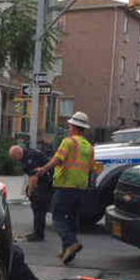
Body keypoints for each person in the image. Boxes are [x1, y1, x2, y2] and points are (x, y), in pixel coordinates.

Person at [36, 111, 97, 264]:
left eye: (70, 125)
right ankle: (67, 252)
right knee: (71, 219)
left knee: (57, 217)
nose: (69, 127)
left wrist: (43, 169)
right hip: (80, 188)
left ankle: (71, 243)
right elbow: (91, 168)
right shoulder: (89, 147)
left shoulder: (69, 142)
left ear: (73, 126)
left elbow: (58, 159)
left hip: (65, 186)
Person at [9, 144, 52, 242]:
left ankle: (38, 235)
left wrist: (30, 192)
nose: (16, 160)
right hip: (44, 182)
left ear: (18, 153)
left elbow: (34, 177)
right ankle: (37, 232)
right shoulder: (28, 154)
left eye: (15, 157)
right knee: (37, 208)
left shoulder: (29, 158)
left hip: (45, 183)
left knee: (38, 208)